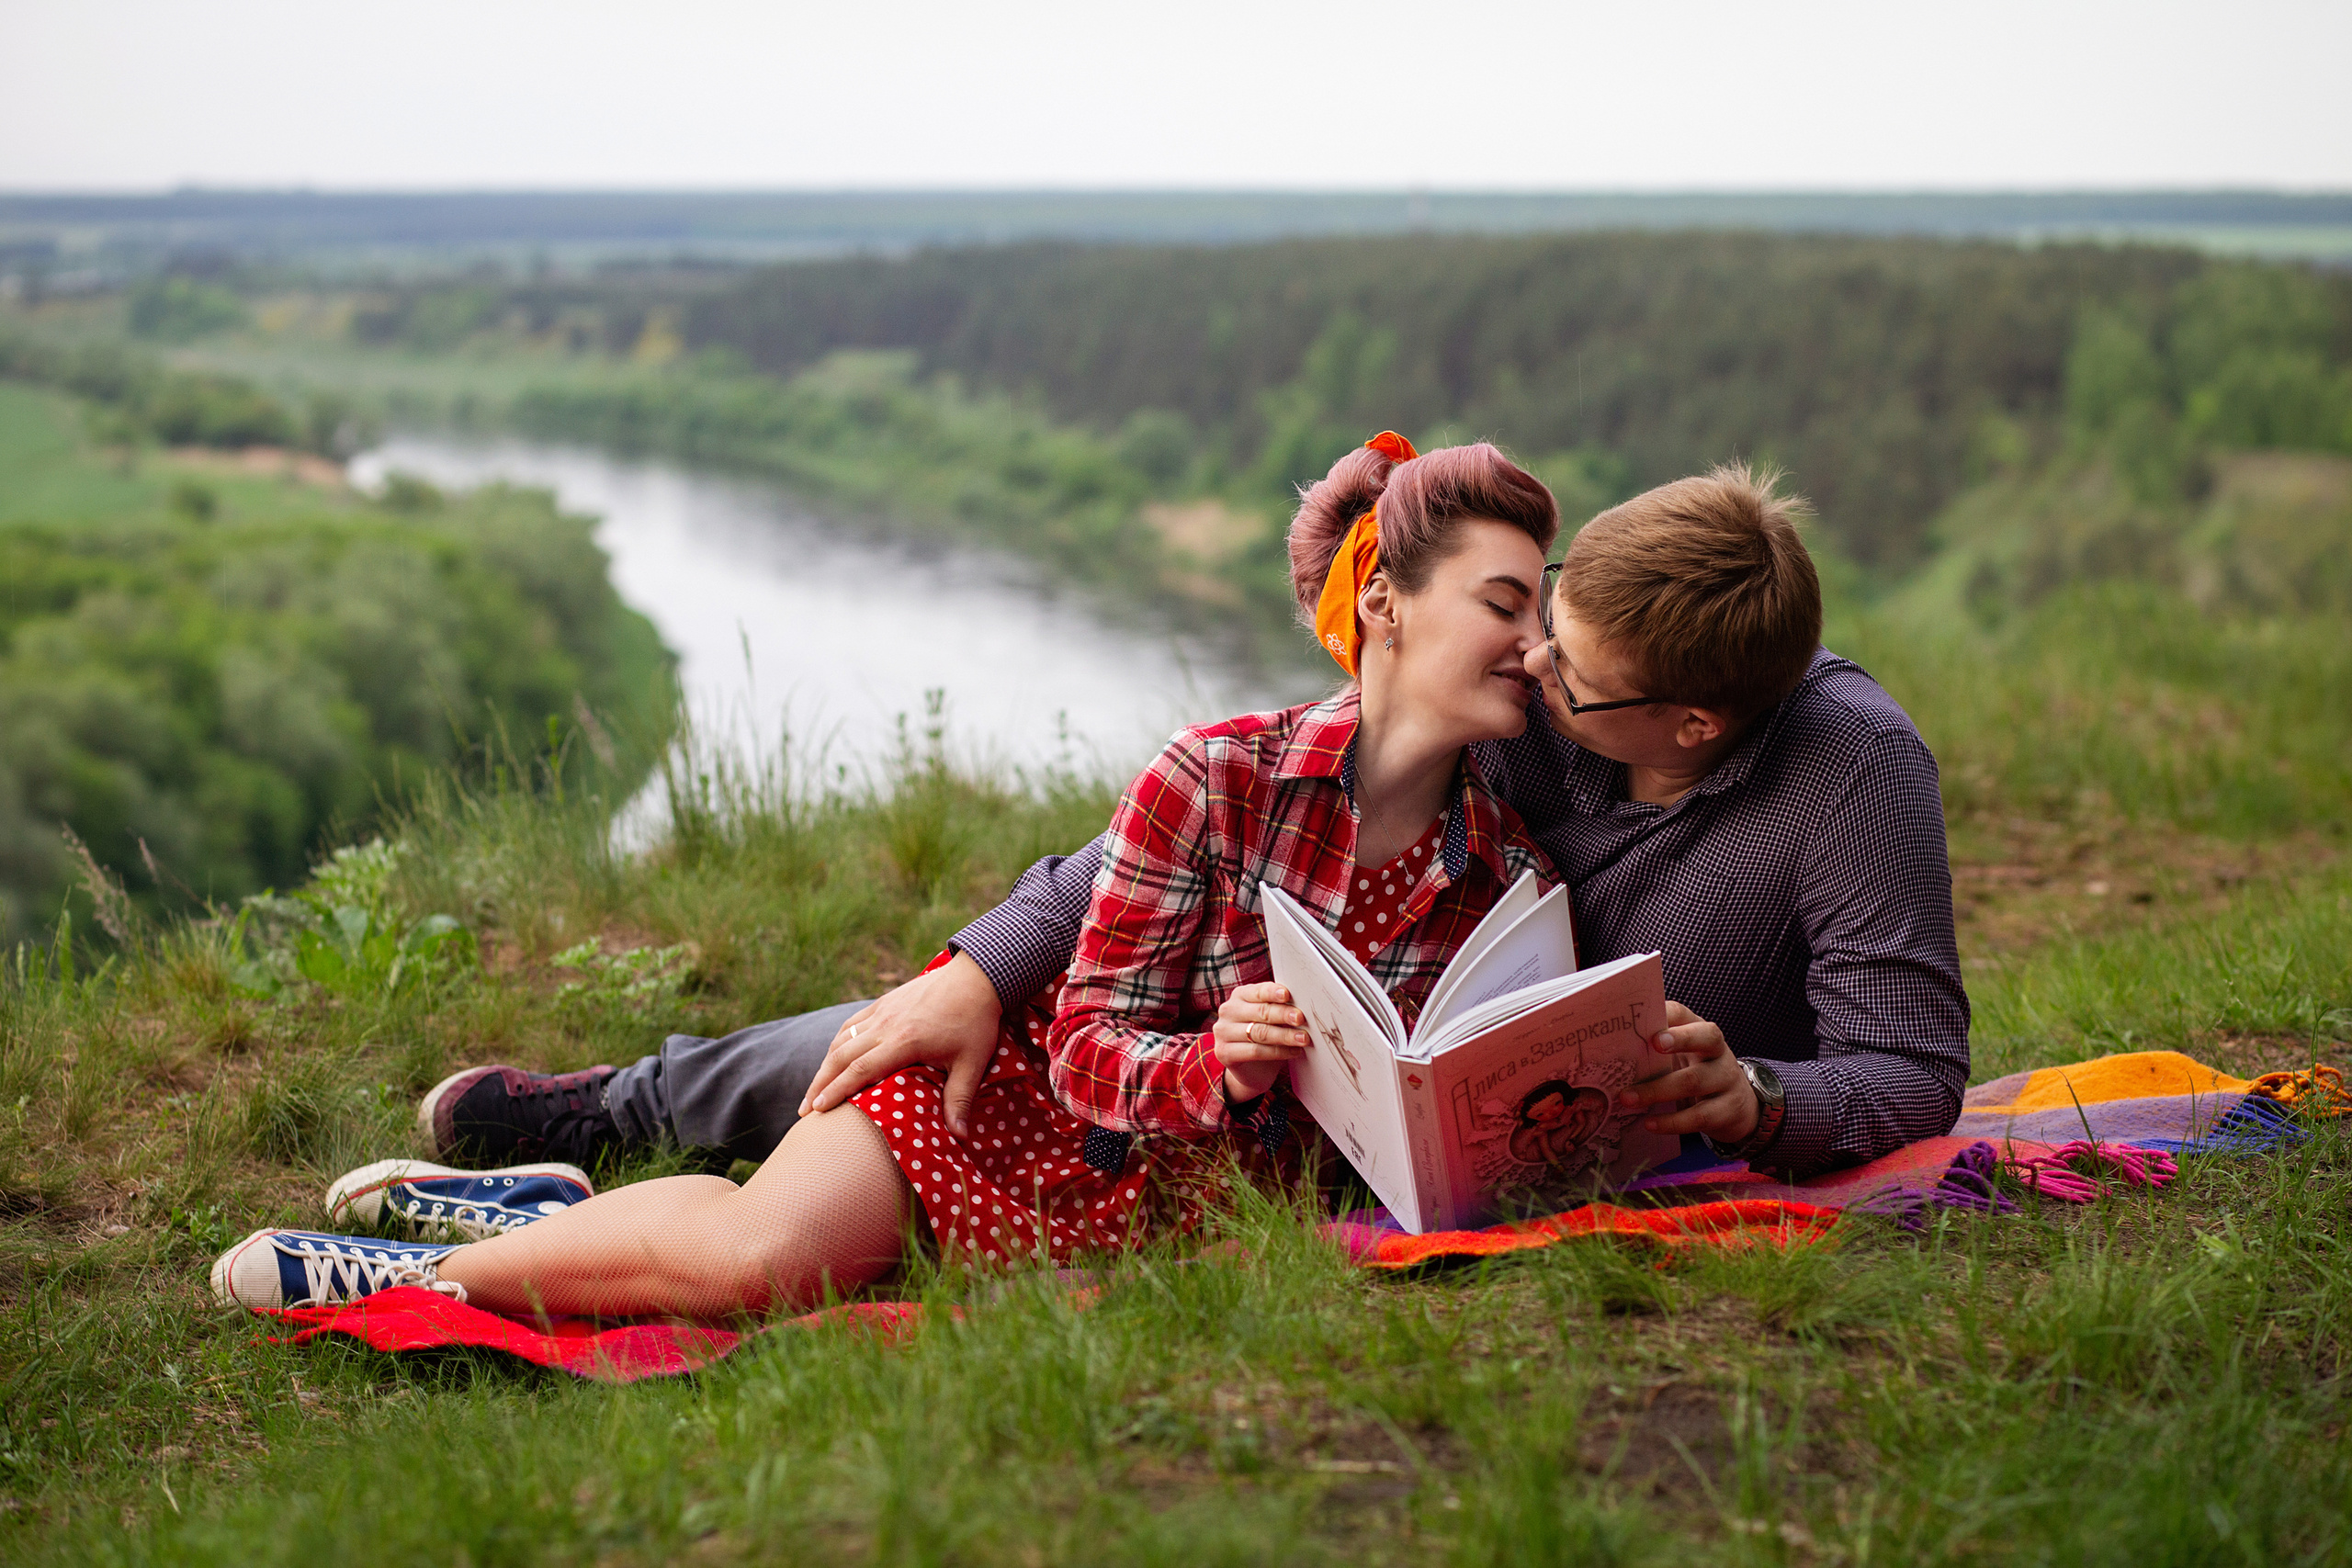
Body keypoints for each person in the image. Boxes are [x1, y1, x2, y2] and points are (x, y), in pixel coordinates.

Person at [214, 434, 1569, 1313]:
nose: (1529, 640)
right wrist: (1211, 1062)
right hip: (1018, 1108)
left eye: (1538, 612)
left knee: (747, 1248)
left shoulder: (1499, 870)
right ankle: (411, 1277)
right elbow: (1090, 1039)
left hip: (1180, 1225)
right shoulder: (1213, 775)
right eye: (1501, 605)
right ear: (1383, 603)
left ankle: (556, 1205)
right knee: (756, 1267)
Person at [409, 458, 1968, 1191]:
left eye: (1579, 675)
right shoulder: (1541, 698)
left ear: (1693, 725)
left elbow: (1911, 1071)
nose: (1535, 668)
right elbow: (1202, 821)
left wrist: (1757, 1097)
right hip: (1351, 1069)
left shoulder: (1851, 777)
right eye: (1539, 627)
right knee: (965, 1023)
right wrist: (978, 958)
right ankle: (630, 1108)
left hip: (1501, 1150)